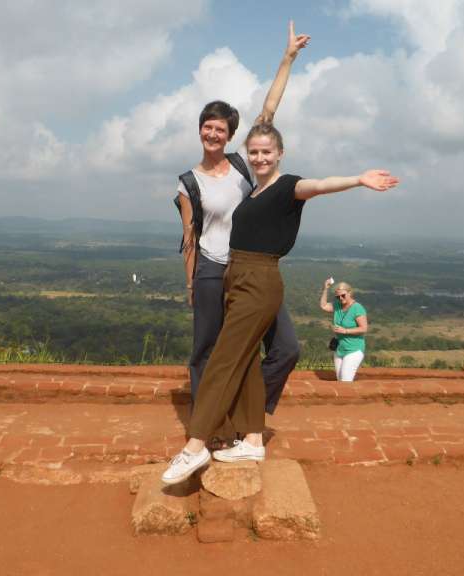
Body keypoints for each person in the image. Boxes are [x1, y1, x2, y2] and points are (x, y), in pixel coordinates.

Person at [162, 123, 399, 484]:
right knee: (247, 363)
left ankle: (195, 447)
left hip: (259, 280)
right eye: (253, 152)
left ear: (280, 154)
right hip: (236, 277)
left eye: (266, 152)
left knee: (223, 359)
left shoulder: (289, 186)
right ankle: (253, 439)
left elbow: (317, 186)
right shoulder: (255, 191)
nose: (258, 158)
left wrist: (357, 179)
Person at [176, 22, 309, 421]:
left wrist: (287, 59)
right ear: (200, 130)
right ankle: (206, 423)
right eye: (208, 127)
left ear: (230, 134)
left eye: (220, 128)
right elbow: (190, 237)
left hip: (251, 269)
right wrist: (191, 283)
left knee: (286, 348)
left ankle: (242, 408)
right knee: (207, 349)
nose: (213, 133)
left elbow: (269, 111)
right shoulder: (188, 183)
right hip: (212, 271)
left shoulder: (241, 164)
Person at [320, 280, 368, 381]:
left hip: (353, 349)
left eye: (343, 295)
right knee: (340, 379)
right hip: (340, 349)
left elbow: (364, 328)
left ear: (349, 293)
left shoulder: (357, 308)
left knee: (345, 380)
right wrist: (326, 289)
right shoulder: (337, 305)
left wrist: (345, 331)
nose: (340, 298)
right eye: (338, 297)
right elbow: (324, 306)